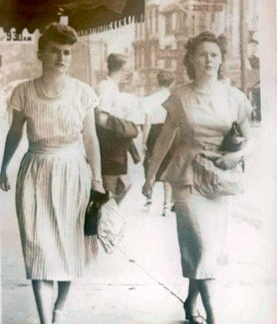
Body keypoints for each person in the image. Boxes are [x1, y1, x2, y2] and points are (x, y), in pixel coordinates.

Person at [142, 31, 253, 324]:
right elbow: (165, 138)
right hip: (187, 175)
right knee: (200, 244)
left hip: (219, 178)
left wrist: (236, 156)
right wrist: (151, 176)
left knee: (208, 249)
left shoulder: (234, 97)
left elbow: (250, 141)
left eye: (214, 55)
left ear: (221, 60)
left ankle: (190, 303)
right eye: (202, 54)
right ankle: (214, 317)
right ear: (191, 58)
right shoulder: (179, 96)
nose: (208, 59)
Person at [0, 23, 105, 324]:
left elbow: (91, 140)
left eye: (67, 52)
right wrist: (2, 167)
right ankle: (46, 320)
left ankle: (60, 307)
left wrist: (96, 181)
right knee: (38, 247)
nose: (62, 58)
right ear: (41, 55)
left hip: (73, 172)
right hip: (35, 171)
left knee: (70, 244)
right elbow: (14, 133)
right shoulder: (23, 91)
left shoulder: (83, 93)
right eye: (55, 51)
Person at [96, 53, 140, 204]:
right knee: (109, 192)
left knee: (123, 186)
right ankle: (105, 222)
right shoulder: (106, 87)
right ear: (122, 69)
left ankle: (108, 218)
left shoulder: (112, 87)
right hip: (110, 146)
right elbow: (102, 119)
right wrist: (125, 126)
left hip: (116, 145)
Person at [142, 70, 176, 216]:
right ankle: (166, 205)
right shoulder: (174, 98)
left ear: (158, 82)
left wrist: (144, 142)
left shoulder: (151, 99)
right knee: (169, 167)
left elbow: (147, 123)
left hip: (154, 133)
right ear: (171, 82)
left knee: (151, 164)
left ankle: (149, 200)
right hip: (170, 133)